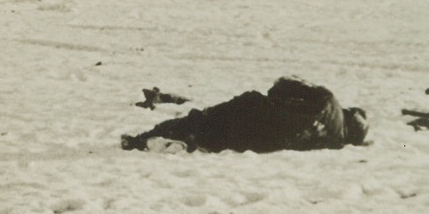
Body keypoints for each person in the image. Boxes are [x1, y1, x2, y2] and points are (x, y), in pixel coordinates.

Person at [121, 76, 368, 153]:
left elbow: (281, 85)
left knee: (202, 118)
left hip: (259, 111)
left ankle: (142, 139)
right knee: (225, 136)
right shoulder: (335, 141)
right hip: (268, 140)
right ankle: (193, 143)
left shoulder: (328, 99)